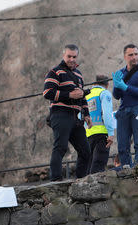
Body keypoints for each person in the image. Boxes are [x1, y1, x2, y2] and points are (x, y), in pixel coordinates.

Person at [43, 44, 92, 181]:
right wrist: (69, 95)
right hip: (60, 114)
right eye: (69, 56)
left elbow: (81, 96)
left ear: (77, 57)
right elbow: (47, 92)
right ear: (63, 56)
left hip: (76, 117)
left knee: (86, 151)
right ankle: (55, 180)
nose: (71, 59)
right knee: (60, 147)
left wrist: (87, 114)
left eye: (74, 57)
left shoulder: (79, 74)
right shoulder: (55, 72)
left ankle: (81, 180)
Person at [112, 44, 138, 167]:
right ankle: (126, 168)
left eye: (136, 54)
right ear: (125, 57)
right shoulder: (121, 73)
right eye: (131, 55)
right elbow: (117, 95)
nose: (134, 57)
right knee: (122, 145)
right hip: (124, 110)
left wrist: (125, 86)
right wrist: (117, 85)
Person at [84, 75, 115, 173]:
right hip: (102, 135)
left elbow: (80, 115)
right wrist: (110, 133)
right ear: (107, 84)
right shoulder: (104, 93)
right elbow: (107, 114)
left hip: (87, 135)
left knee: (88, 166)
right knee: (98, 166)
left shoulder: (86, 95)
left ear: (94, 83)